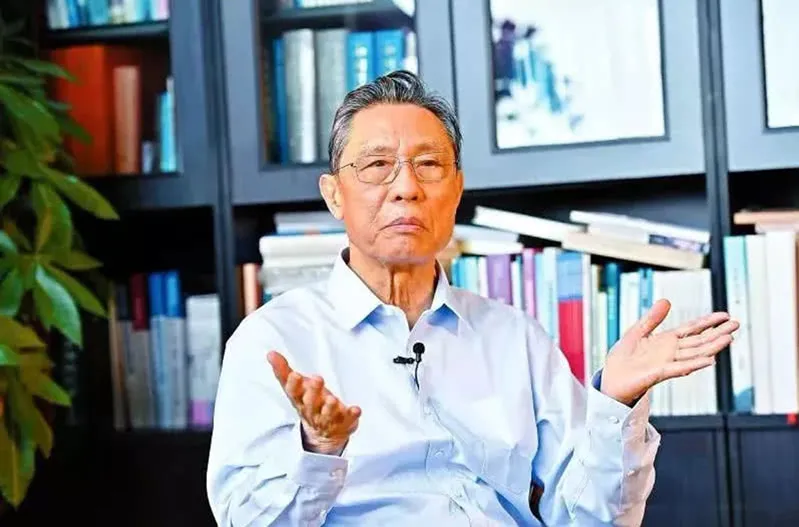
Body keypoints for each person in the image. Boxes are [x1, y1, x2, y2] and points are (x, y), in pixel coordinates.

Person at [205, 70, 738, 526]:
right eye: (376, 166)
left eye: (428, 165)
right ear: (333, 195)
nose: (406, 188)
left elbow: (593, 518)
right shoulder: (274, 340)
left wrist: (616, 402)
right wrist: (319, 448)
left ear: (456, 190)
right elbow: (244, 520)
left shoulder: (513, 336)